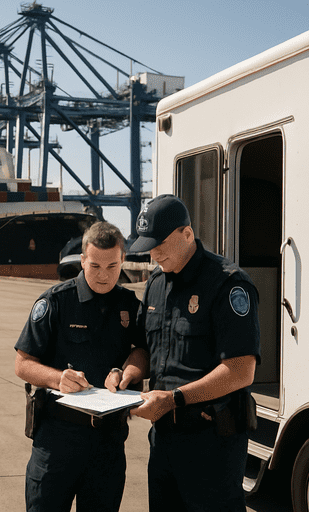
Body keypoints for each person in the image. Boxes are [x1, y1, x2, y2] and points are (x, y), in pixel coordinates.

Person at [128, 194, 261, 511]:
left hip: (211, 443)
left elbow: (241, 370)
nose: (154, 252)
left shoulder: (227, 284)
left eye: (159, 243)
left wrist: (175, 398)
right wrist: (128, 374)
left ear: (187, 234)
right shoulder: (157, 282)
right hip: (163, 441)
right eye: (148, 244)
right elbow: (144, 347)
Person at [14, 221, 148, 512]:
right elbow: (23, 364)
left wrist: (127, 373)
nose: (104, 275)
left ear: (122, 259)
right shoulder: (56, 301)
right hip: (57, 441)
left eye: (112, 266)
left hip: (107, 444)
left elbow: (141, 351)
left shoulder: (129, 305)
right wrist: (57, 378)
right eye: (95, 266)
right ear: (82, 260)